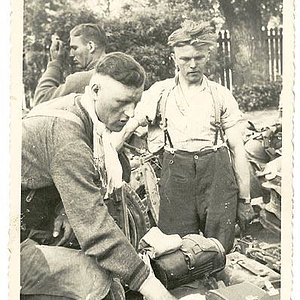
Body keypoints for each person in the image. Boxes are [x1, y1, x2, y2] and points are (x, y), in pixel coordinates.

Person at [21, 52, 177, 300]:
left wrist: (65, 205)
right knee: (97, 279)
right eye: (121, 102)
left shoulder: (80, 107)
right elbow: (97, 233)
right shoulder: (67, 139)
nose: (130, 113)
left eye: (135, 103)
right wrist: (158, 292)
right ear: (95, 90)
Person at [131, 20, 255, 253]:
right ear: (173, 59)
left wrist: (245, 200)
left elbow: (238, 150)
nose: (192, 65)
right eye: (185, 59)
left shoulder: (221, 95)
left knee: (220, 248)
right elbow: (132, 124)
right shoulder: (161, 92)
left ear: (207, 56)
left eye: (199, 57)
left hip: (216, 172)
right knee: (176, 249)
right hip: (177, 173)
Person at [32, 23, 107, 106]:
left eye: (75, 48)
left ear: (91, 46)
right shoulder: (117, 69)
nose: (71, 54)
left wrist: (55, 62)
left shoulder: (84, 79)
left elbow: (41, 99)